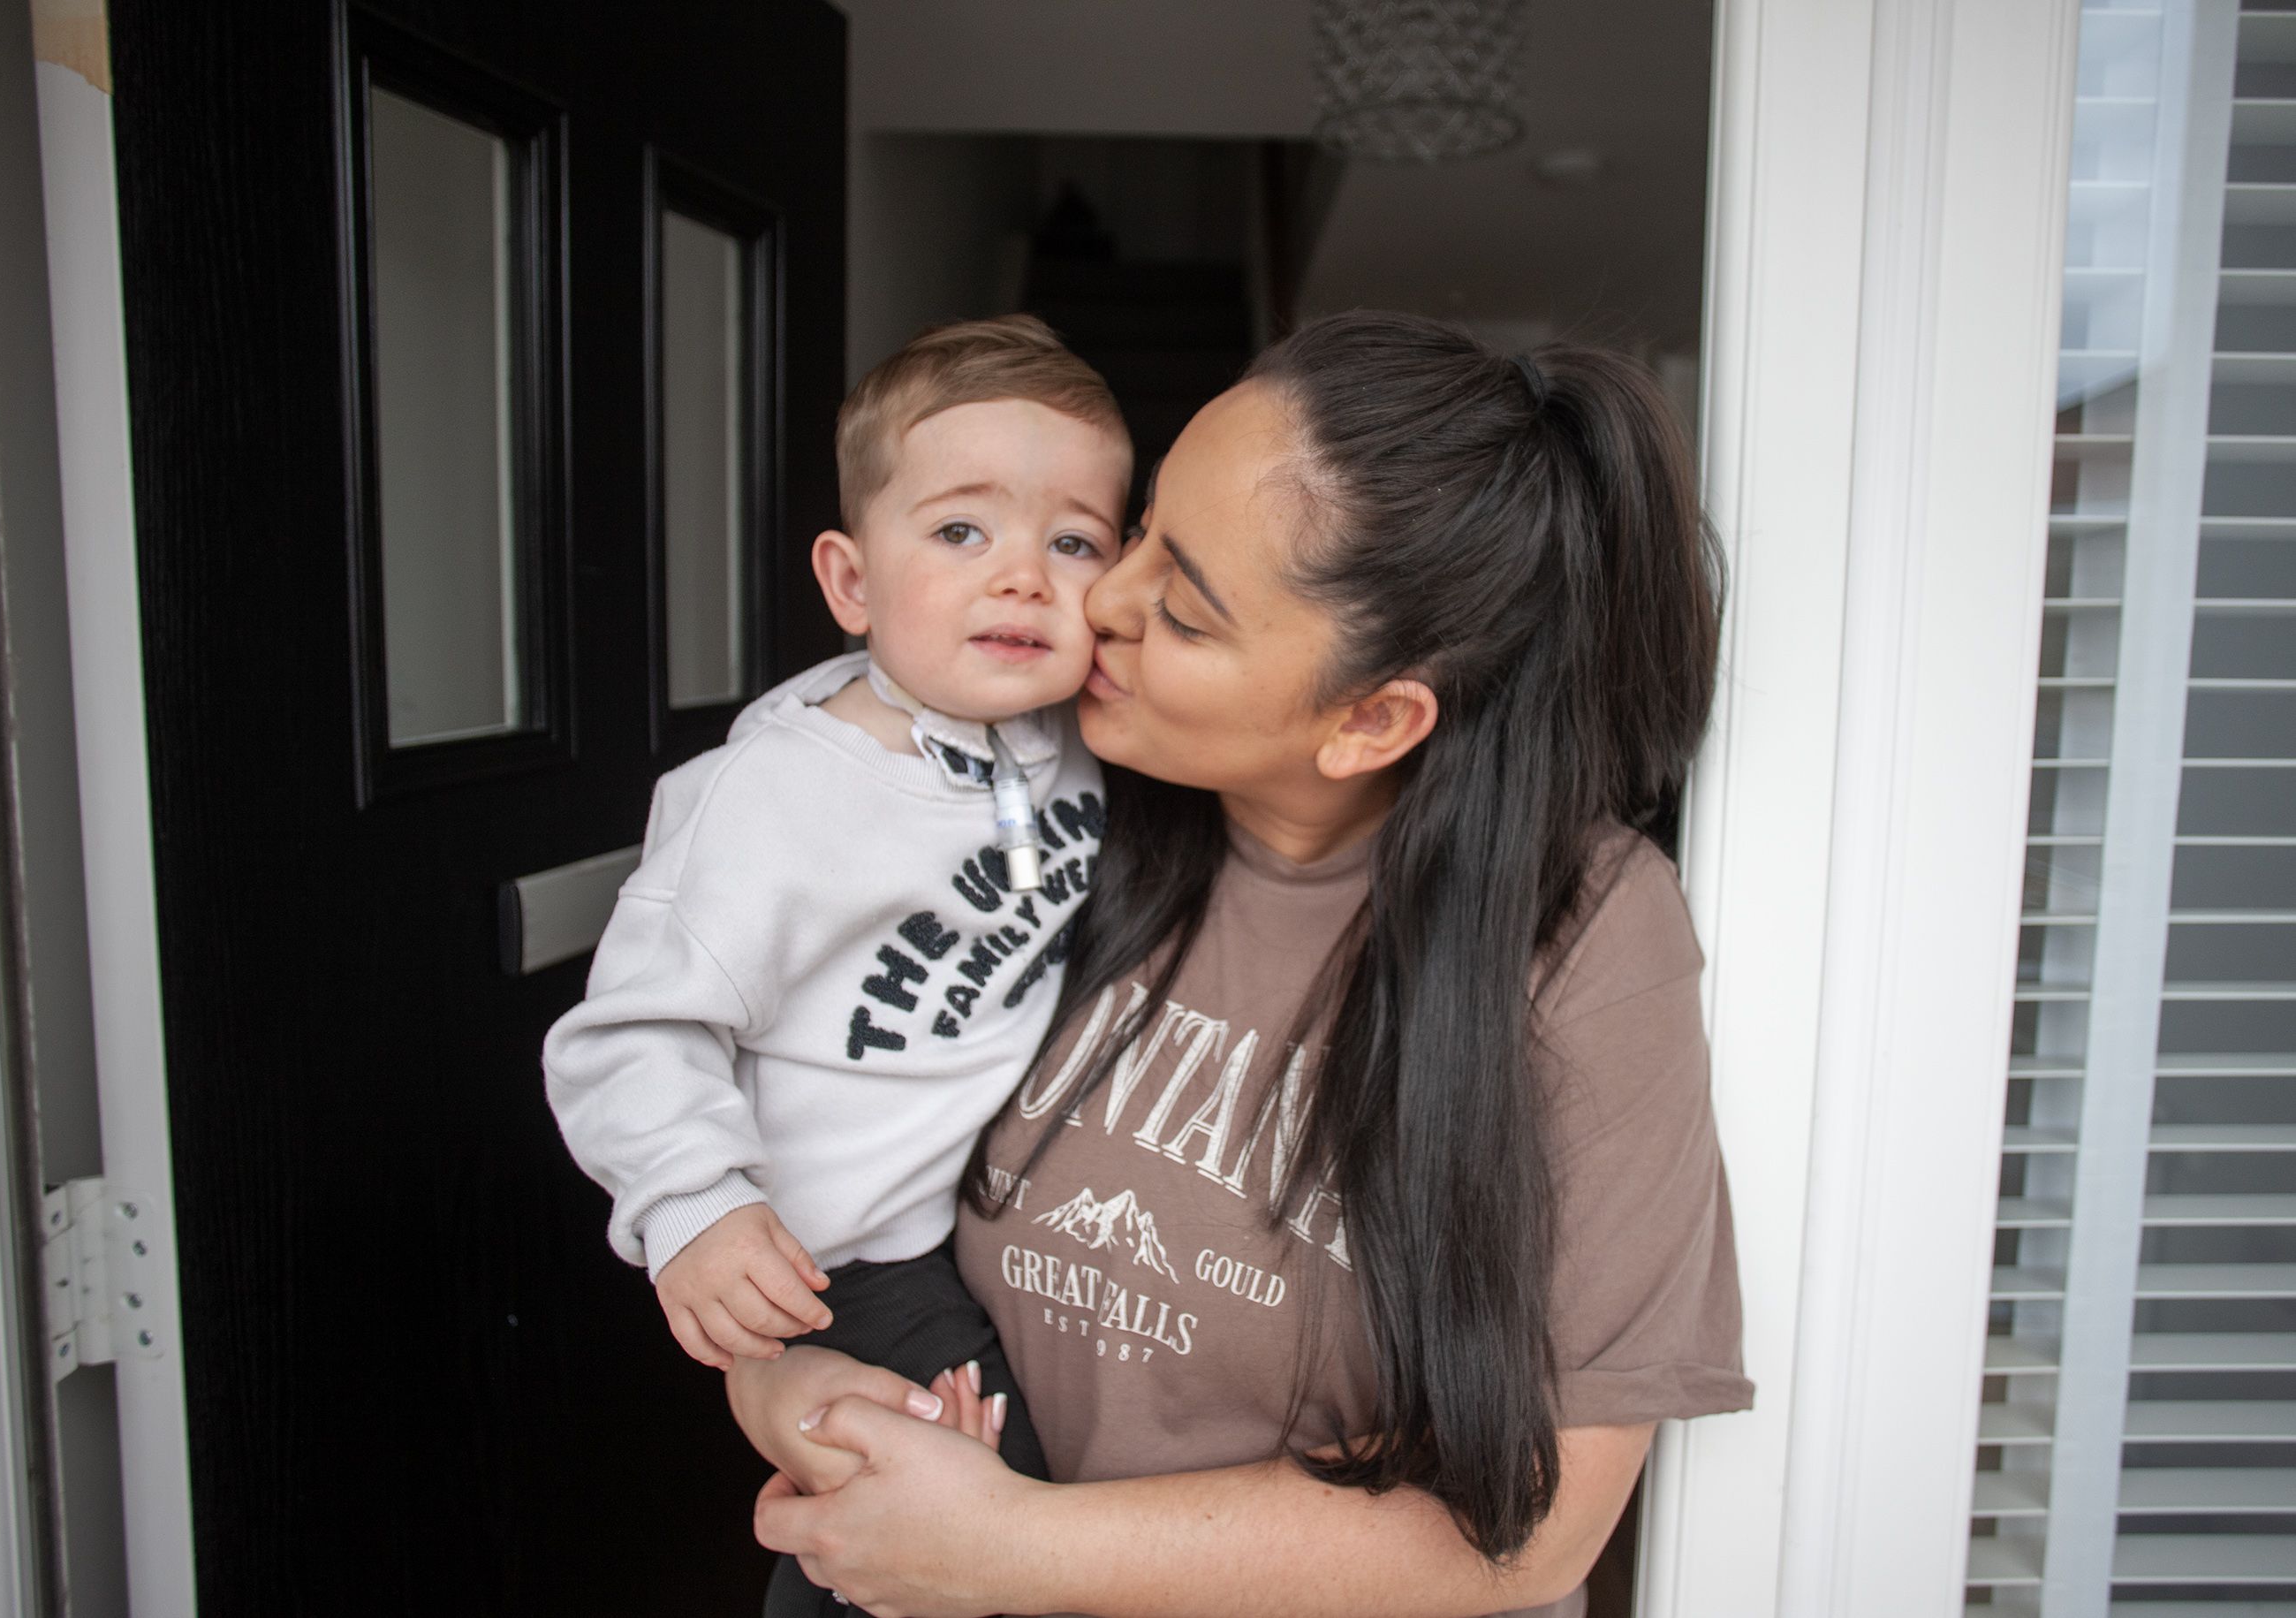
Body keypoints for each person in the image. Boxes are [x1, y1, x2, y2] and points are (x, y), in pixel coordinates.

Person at [727, 311, 1753, 1618]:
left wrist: (1012, 1549)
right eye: (1141, 526)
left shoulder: (1586, 928)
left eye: (1188, 609)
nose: (1099, 597)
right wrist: (777, 1377)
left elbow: (1535, 1520)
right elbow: (824, 1143)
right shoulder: (1037, 798)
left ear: (1372, 718)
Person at [541, 315, 1133, 1612]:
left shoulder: (1075, 744)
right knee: (940, 1516)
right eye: (962, 531)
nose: (1025, 575)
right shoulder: (775, 797)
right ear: (852, 582)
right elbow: (631, 1033)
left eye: (1074, 540)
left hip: (964, 1225)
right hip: (834, 1260)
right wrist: (692, 1202)